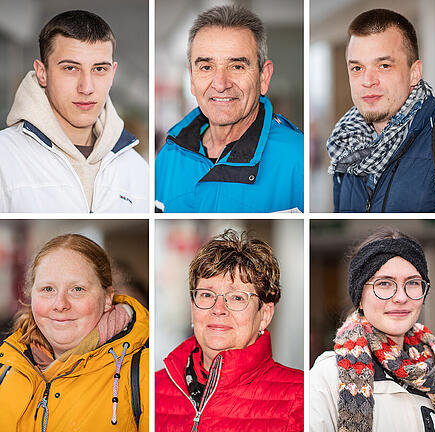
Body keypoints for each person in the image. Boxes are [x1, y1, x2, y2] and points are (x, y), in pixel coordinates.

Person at [155, 5, 303, 213]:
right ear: (191, 78)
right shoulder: (169, 156)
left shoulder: (298, 159)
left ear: (264, 76)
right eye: (206, 67)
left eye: (237, 66)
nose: (221, 83)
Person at [309, 229, 435, 431]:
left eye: (413, 283)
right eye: (385, 283)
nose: (400, 297)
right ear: (360, 297)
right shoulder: (328, 377)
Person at [0, 10, 148, 213]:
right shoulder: (5, 156)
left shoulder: (138, 170)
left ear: (112, 73)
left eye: (99, 69)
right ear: (43, 73)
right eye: (71, 68)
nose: (86, 87)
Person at [155, 230, 303, 431]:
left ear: (265, 314)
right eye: (207, 295)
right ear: (193, 306)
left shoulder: (300, 396)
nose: (218, 309)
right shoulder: (153, 388)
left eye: (236, 298)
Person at [0, 234, 149, 431]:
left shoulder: (143, 370)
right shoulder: (7, 367)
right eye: (48, 289)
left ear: (107, 298)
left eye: (77, 289)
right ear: (31, 294)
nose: (60, 304)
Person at [326, 9, 435, 213]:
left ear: (414, 73)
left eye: (384, 65)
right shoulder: (345, 148)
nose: (367, 81)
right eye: (357, 68)